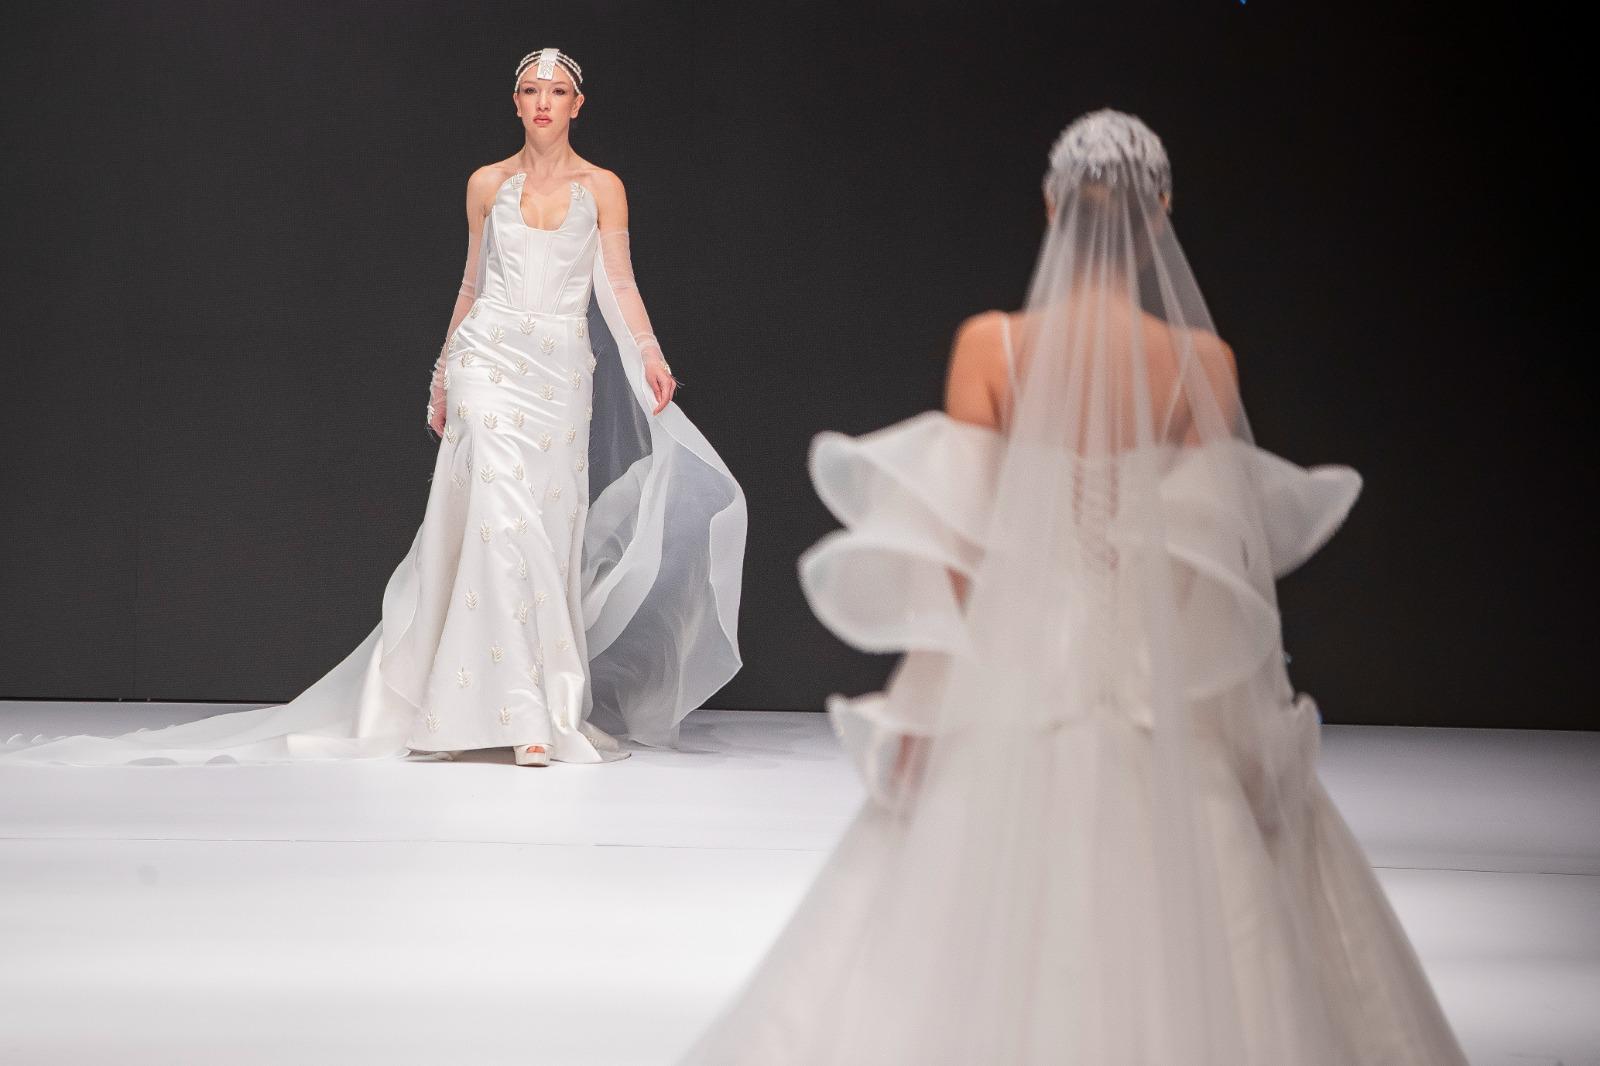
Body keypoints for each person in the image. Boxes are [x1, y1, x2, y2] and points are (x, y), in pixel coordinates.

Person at [679, 110, 1466, 1064]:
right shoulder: (1202, 364)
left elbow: (960, 546)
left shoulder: (994, 348)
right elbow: (1211, 559)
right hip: (1155, 675)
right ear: (1159, 213)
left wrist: (930, 700)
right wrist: (1236, 714)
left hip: (1023, 661)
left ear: (1052, 207)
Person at [1, 47, 747, 768]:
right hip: (489, 361)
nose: (543, 103)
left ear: (577, 105)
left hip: (558, 373)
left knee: (545, 532)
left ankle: (540, 706)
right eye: (530, 90)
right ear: (516, 103)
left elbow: (619, 281)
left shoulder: (603, 187)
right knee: (497, 516)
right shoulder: (486, 183)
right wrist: (442, 376)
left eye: (556, 92)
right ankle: (516, 716)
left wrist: (649, 352)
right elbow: (471, 283)